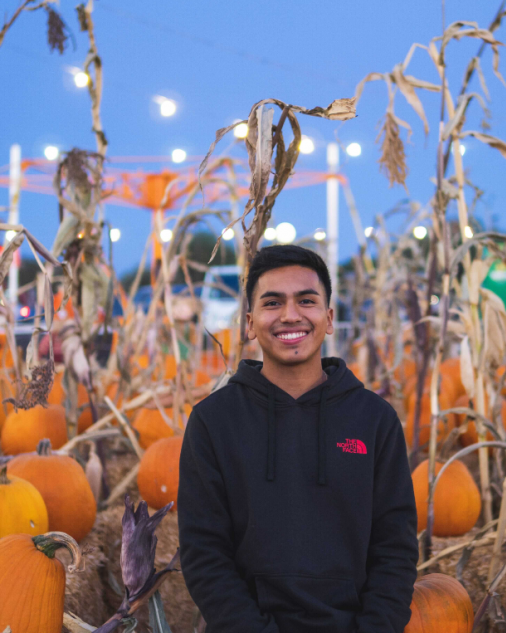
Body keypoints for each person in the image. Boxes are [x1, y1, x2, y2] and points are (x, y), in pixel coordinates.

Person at [178, 245, 418, 632]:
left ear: (328, 318)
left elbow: (396, 548)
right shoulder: (213, 421)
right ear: (251, 323)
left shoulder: (375, 420)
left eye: (306, 301)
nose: (291, 315)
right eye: (273, 303)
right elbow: (204, 554)